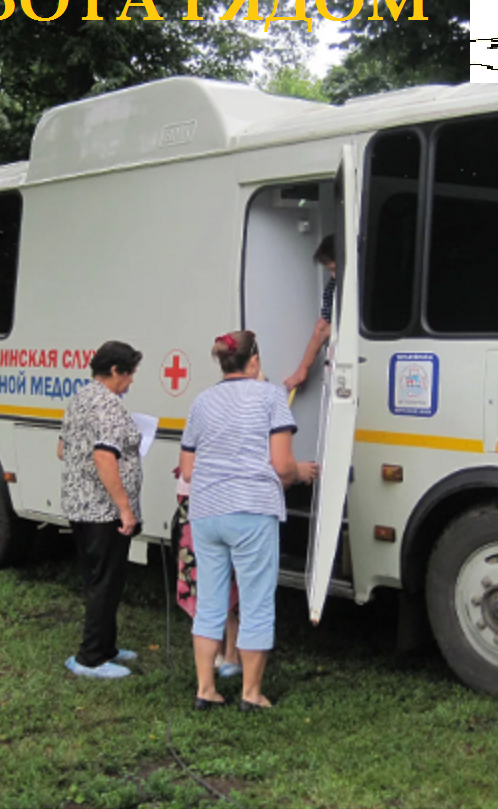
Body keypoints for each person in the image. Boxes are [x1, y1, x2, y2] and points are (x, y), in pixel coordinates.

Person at [180, 331, 318, 711]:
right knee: (256, 601)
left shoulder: (201, 401)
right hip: (252, 510)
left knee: (210, 602)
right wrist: (299, 473)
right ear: (254, 360)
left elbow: (188, 469)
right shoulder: (271, 396)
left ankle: (205, 689)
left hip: (206, 511)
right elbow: (282, 464)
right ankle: (251, 693)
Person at [58, 340, 144, 679]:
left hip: (78, 504)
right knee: (106, 582)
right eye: (129, 373)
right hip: (103, 510)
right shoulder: (108, 405)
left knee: (98, 578)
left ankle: (106, 647)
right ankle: (90, 657)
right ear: (114, 370)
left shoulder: (79, 398)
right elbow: (104, 457)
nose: (131, 380)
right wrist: (125, 508)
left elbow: (62, 449)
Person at [172, 469, 242, 678]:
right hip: (200, 496)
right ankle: (220, 652)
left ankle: (229, 654)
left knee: (221, 577)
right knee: (209, 577)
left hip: (216, 495)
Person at [283, 234, 336, 393]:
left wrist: (302, 370)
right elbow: (322, 327)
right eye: (330, 271)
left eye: (334, 269)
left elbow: (324, 328)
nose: (333, 276)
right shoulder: (333, 287)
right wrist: (302, 370)